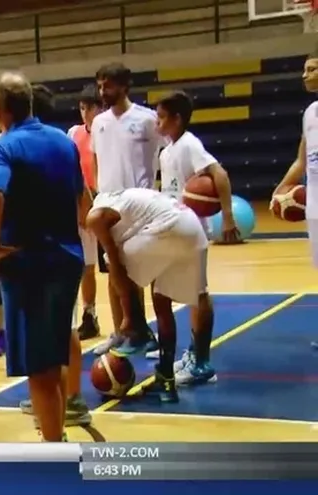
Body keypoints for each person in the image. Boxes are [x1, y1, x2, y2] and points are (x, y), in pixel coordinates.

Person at [0, 72, 84, 442]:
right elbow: (80, 198)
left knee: (39, 370)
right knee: (54, 357)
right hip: (68, 258)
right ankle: (55, 434)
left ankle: (54, 450)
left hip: (28, 266)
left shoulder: (2, 147)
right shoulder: (64, 141)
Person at [87, 188, 210, 403]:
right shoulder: (116, 199)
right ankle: (166, 380)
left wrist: (126, 319)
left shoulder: (95, 216)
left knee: (113, 261)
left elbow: (116, 267)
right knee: (161, 299)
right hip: (192, 228)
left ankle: (137, 329)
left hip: (169, 226)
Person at [153, 90, 238, 386]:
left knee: (198, 293)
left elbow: (220, 175)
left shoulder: (190, 144)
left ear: (177, 119)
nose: (157, 122)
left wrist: (227, 216)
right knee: (175, 293)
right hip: (172, 229)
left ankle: (202, 363)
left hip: (192, 231)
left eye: (161, 117)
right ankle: (192, 353)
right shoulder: (167, 151)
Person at [0, 84, 64, 359]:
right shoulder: (58, 141)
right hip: (50, 239)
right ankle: (3, 333)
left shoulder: (36, 144)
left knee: (42, 337)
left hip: (28, 236)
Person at [91, 62, 165, 356]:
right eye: (99, 85)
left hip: (140, 206)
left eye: (107, 85)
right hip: (107, 206)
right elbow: (97, 160)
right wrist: (99, 192)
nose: (102, 91)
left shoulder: (147, 120)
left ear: (124, 86)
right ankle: (121, 330)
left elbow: (164, 153)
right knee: (113, 271)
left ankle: (147, 332)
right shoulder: (98, 122)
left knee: (141, 272)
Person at [271, 50, 318, 348]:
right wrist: (282, 186)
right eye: (304, 69)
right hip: (314, 204)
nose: (305, 75)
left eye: (312, 69)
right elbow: (302, 160)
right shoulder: (310, 113)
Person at [68, 85, 103, 340]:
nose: (85, 113)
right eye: (82, 108)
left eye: (89, 107)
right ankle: (89, 315)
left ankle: (129, 319)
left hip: (104, 200)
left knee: (118, 265)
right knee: (85, 265)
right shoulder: (74, 133)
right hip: (80, 202)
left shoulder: (107, 132)